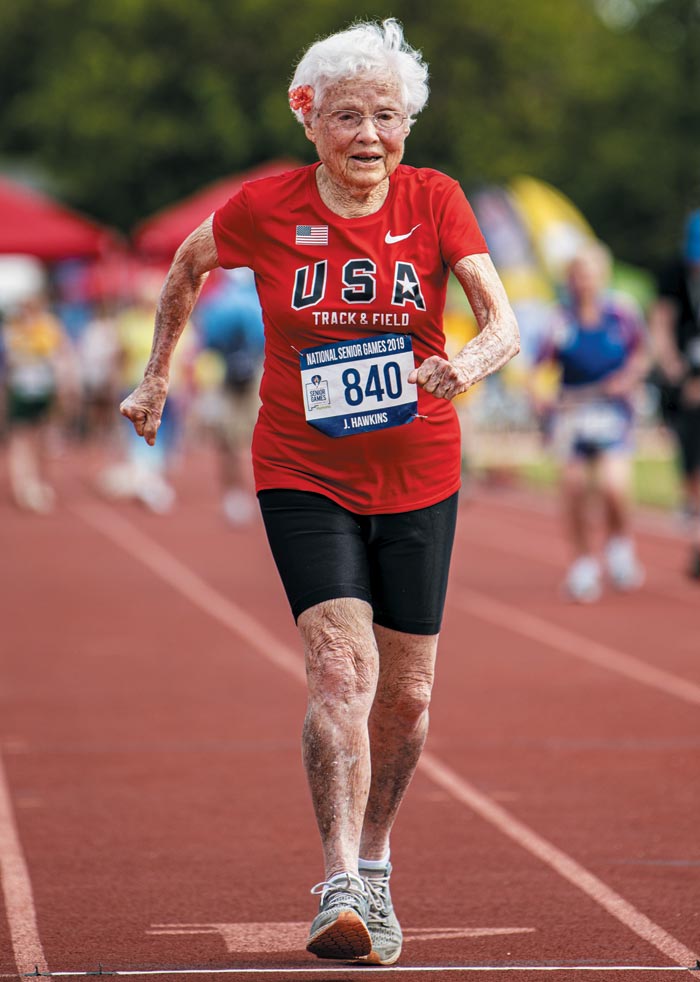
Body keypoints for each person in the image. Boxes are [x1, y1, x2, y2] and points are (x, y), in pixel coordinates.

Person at [120, 18, 519, 966]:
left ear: (409, 127)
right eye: (348, 115)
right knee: (341, 670)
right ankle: (338, 879)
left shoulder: (437, 201)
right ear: (309, 118)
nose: (370, 134)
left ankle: (376, 860)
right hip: (303, 467)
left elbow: (501, 323)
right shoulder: (265, 207)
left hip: (419, 470)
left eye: (387, 115)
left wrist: (463, 365)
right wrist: (155, 374)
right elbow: (186, 265)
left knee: (410, 698)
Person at [531, 241, 648, 603]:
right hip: (572, 413)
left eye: (591, 275)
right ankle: (582, 563)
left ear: (603, 277)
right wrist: (541, 399)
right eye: (578, 275)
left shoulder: (622, 314)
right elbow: (540, 369)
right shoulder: (559, 320)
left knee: (615, 486)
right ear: (570, 279)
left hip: (612, 412)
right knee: (574, 488)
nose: (584, 282)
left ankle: (620, 544)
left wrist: (626, 380)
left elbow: (642, 355)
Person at [649, 208, 700, 579]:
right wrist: (679, 375)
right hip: (684, 384)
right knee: (691, 464)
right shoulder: (673, 275)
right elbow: (661, 328)